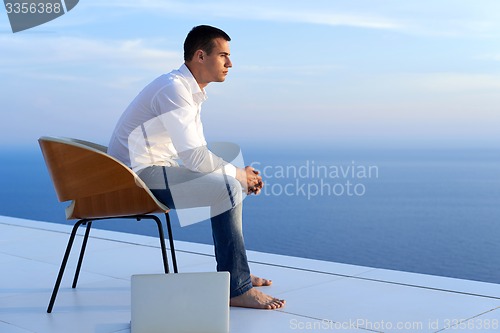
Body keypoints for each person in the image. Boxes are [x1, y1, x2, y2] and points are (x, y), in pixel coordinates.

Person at [108, 25, 285, 310]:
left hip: (152, 170)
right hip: (136, 179)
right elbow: (194, 159)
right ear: (200, 56)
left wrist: (240, 176)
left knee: (231, 183)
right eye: (223, 55)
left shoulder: (188, 90)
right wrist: (238, 175)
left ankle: (235, 273)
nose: (230, 63)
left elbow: (198, 156)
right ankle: (235, 285)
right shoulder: (174, 89)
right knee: (229, 185)